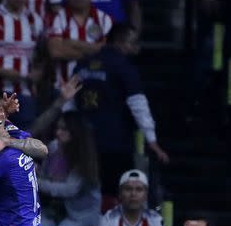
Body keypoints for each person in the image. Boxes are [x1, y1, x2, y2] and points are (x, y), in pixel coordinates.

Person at [72, 23, 169, 195]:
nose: (136, 48)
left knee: (88, 192)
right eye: (133, 43)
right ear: (120, 41)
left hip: (83, 138)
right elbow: (138, 104)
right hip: (115, 141)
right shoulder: (122, 65)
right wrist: (152, 140)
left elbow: (69, 100)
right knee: (114, 192)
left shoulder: (83, 63)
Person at [39, 111, 101, 226]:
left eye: (64, 129)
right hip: (55, 209)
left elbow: (69, 189)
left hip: (81, 213)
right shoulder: (53, 148)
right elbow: (45, 174)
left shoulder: (83, 157)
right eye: (58, 128)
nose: (58, 132)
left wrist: (39, 183)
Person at [47, 0, 112, 89]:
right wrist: (93, 51)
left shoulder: (104, 19)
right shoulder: (57, 18)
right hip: (64, 88)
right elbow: (55, 52)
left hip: (98, 87)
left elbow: (106, 53)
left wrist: (71, 42)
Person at [96, 170, 165, 226]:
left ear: (146, 195)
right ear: (120, 193)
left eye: (139, 189)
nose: (133, 194)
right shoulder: (108, 219)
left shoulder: (155, 219)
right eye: (128, 189)